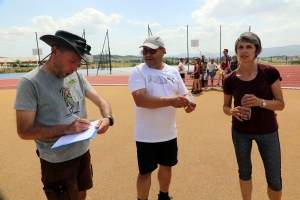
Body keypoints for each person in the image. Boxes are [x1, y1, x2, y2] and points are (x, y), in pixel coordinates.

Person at [14, 30, 113, 200]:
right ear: (54, 51)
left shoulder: (77, 77)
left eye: (78, 63)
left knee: (82, 193)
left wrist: (108, 118)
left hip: (82, 151)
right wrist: (67, 129)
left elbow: (101, 102)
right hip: (56, 161)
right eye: (72, 61)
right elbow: (24, 131)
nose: (74, 68)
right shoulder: (30, 83)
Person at [128, 36, 196, 200]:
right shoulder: (138, 71)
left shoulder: (172, 71)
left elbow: (184, 92)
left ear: (163, 51)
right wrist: (172, 101)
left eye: (152, 50)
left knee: (167, 166)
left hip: (168, 133)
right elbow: (140, 100)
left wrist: (188, 101)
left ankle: (163, 196)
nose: (147, 54)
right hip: (146, 135)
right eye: (145, 51)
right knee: (145, 172)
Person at [223, 31, 285, 200]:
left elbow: (280, 104)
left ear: (256, 50)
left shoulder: (269, 72)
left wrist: (261, 102)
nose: (244, 51)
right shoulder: (229, 79)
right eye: (240, 47)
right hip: (240, 132)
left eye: (249, 47)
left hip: (268, 131)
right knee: (244, 172)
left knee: (274, 179)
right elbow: (225, 106)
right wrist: (231, 111)